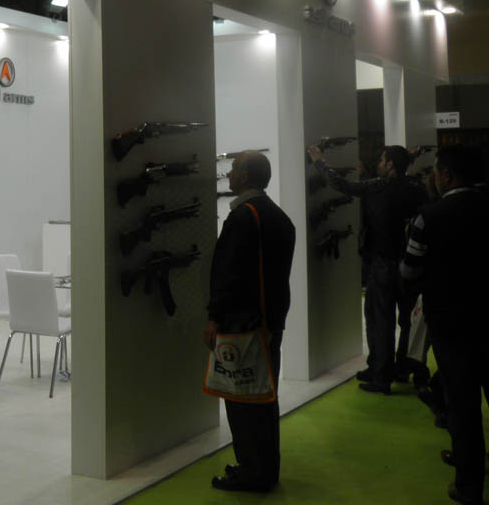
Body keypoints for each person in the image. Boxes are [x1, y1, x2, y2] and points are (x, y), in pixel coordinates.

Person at [400, 144, 489, 505]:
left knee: (463, 408)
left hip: (451, 325)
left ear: (446, 175)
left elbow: (409, 271)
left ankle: (469, 485)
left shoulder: (429, 216)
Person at [205, 151, 295, 493]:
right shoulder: (279, 217)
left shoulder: (243, 217)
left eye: (233, 169)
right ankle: (263, 468)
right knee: (263, 401)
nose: (228, 173)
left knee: (242, 404)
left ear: (244, 176)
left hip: (243, 324)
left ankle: (251, 472)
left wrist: (214, 316)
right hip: (268, 322)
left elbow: (229, 274)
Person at [307, 143, 426, 393]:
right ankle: (401, 368)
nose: (378, 164)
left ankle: (380, 375)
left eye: (382, 160)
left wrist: (319, 161)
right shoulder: (416, 189)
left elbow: (341, 184)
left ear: (390, 164)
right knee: (406, 320)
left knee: (380, 320)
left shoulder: (377, 187)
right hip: (410, 263)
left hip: (382, 262)